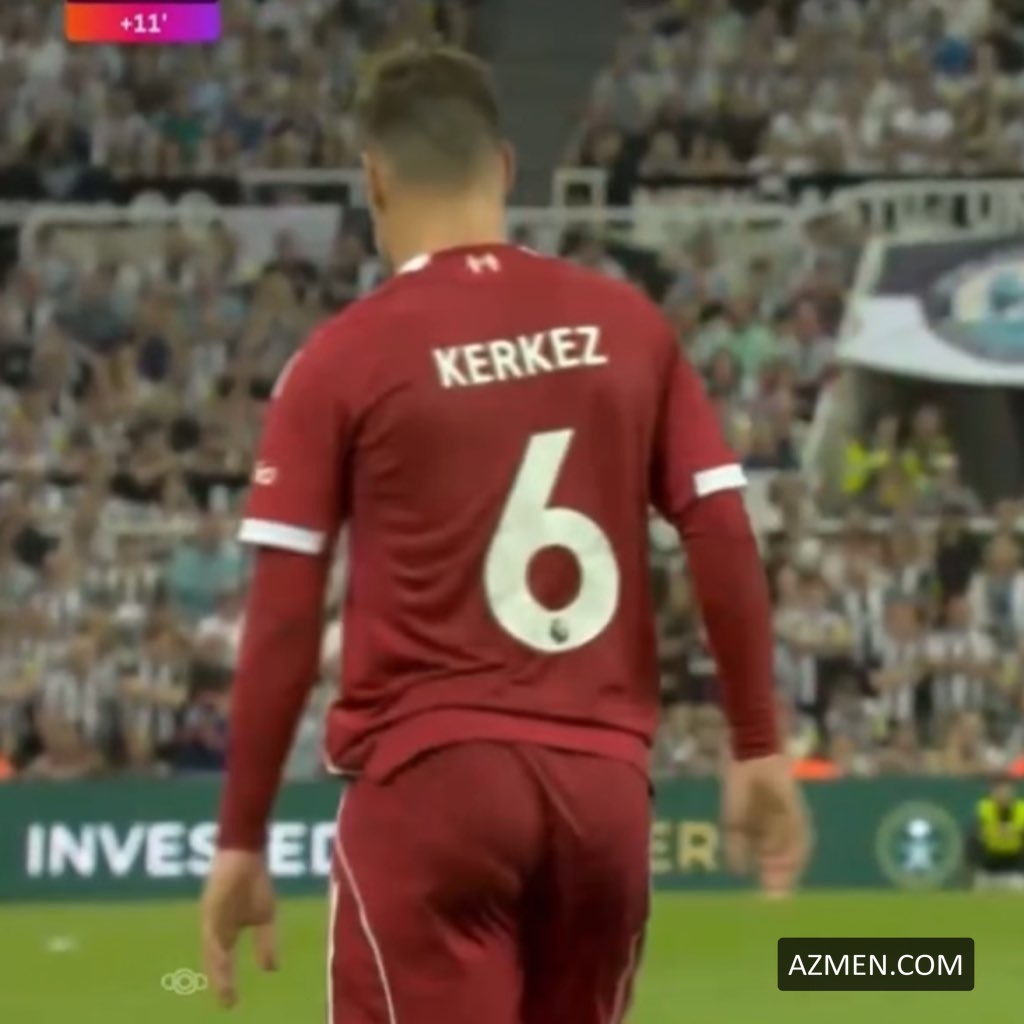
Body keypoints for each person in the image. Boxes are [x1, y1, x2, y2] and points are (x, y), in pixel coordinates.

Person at [200, 44, 810, 1023]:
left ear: (374, 177)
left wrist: (241, 838)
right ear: (506, 168)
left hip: (433, 784)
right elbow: (720, 526)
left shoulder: (341, 360)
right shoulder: (628, 325)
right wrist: (756, 741)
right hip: (604, 796)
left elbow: (283, 615)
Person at [966, 778, 1024, 890]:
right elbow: (975, 833)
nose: (1002, 794)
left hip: (1014, 871)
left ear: (1013, 792)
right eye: (998, 790)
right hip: (988, 870)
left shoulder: (1021, 809)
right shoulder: (984, 808)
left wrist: (1013, 831)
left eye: (1006, 790)